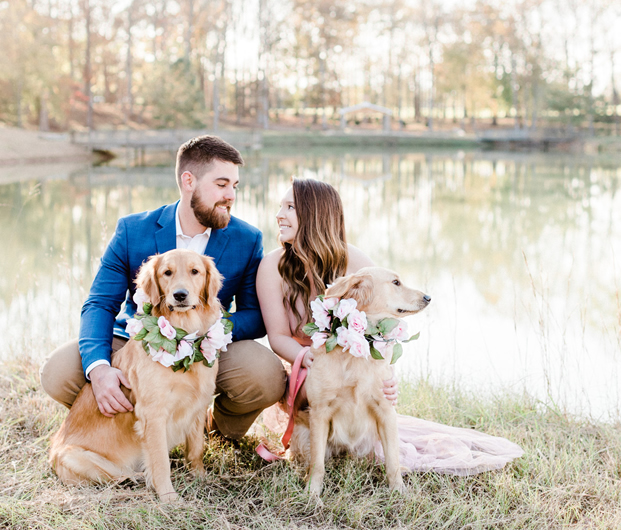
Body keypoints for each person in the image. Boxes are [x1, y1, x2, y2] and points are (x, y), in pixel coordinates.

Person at [256, 177, 523, 475]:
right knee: (317, 387)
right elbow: (278, 336)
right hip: (304, 365)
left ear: (317, 214)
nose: (279, 214)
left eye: (290, 207)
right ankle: (323, 447)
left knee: (372, 391)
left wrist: (386, 374)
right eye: (280, 206)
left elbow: (383, 319)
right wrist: (311, 359)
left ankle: (359, 436)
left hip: (355, 362)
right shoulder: (271, 266)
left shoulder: (355, 261)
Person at [40, 135, 286, 442]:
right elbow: (100, 304)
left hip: (209, 347)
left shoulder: (247, 239)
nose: (230, 195)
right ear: (188, 181)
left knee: (267, 377)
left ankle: (215, 430)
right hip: (137, 345)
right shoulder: (133, 230)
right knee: (58, 372)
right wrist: (100, 369)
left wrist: (205, 328)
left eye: (234, 186)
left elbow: (254, 315)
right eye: (221, 184)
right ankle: (131, 429)